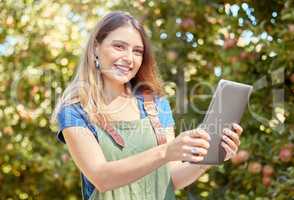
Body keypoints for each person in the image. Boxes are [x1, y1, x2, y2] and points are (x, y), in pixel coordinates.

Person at [51, 11, 243, 200]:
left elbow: (171, 179)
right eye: (119, 46)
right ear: (95, 48)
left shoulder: (156, 104)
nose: (129, 58)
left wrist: (209, 159)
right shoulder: (74, 111)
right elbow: (102, 177)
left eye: (137, 51)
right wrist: (166, 152)